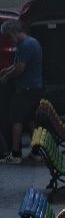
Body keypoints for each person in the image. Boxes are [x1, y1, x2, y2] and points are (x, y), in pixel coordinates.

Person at [0, 20, 44, 163]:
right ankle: (36, 152)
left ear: (13, 32)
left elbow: (20, 68)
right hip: (35, 88)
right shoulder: (32, 42)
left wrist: (5, 77)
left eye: (8, 36)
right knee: (30, 120)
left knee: (16, 120)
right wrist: (5, 71)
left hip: (25, 89)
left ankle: (15, 154)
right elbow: (16, 65)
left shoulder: (25, 45)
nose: (9, 40)